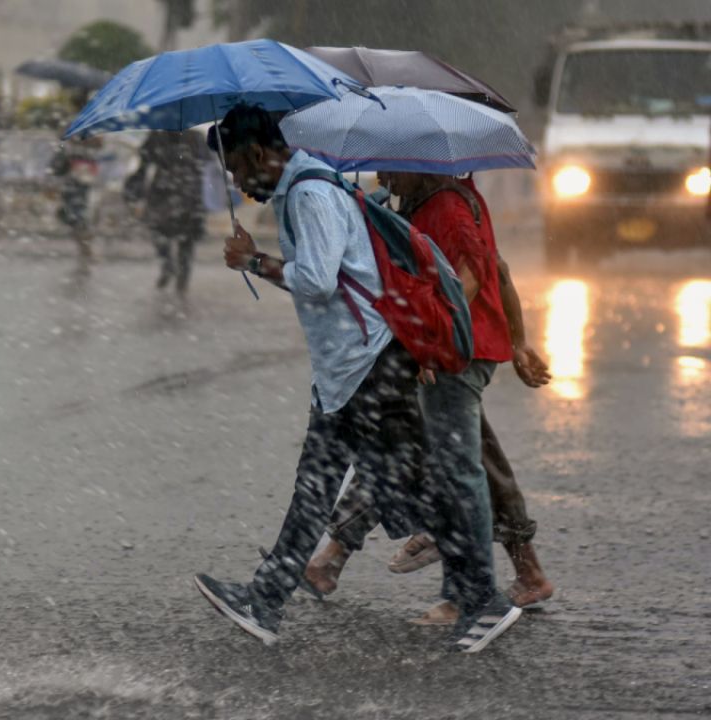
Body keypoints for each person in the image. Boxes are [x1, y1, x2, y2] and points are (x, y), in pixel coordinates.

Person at [192, 103, 520, 652]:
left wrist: (254, 262)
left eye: (234, 169)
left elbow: (318, 282)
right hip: (347, 372)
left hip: (370, 367)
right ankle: (266, 599)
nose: (236, 182)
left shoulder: (311, 193)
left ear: (255, 152)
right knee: (317, 487)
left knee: (411, 487)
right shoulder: (309, 188)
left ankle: (484, 599)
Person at [305, 175, 556, 621]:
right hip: (446, 351)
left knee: (450, 465)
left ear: (417, 161)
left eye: (389, 165)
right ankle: (518, 570)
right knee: (431, 451)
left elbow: (477, 273)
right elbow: (496, 266)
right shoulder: (425, 200)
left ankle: (468, 593)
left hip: (455, 353)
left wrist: (435, 341)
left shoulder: (446, 206)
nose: (383, 176)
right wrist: (515, 342)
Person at [125, 130, 208, 296]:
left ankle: (174, 271)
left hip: (174, 189)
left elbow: (144, 163)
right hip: (181, 190)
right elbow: (206, 160)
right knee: (171, 234)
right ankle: (175, 272)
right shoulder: (190, 137)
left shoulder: (163, 136)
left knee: (171, 233)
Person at [49, 136, 101, 268]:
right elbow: (56, 166)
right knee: (76, 217)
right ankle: (84, 247)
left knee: (80, 217)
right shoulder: (68, 148)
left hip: (82, 186)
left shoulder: (86, 148)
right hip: (72, 186)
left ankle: (85, 247)